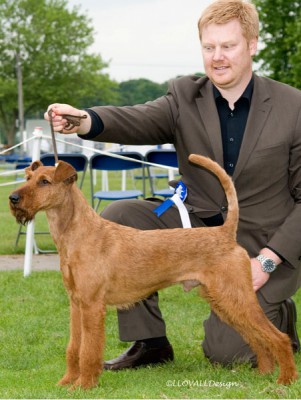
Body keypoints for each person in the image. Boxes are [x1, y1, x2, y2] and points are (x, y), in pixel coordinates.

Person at [45, 0, 301, 370]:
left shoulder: (293, 107)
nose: (217, 57)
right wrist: (84, 120)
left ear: (252, 44)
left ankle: (279, 314)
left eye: (228, 46)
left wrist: (269, 259)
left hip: (262, 241)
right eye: (208, 47)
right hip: (193, 225)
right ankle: (149, 343)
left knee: (228, 354)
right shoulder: (184, 95)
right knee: (121, 215)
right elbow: (136, 119)